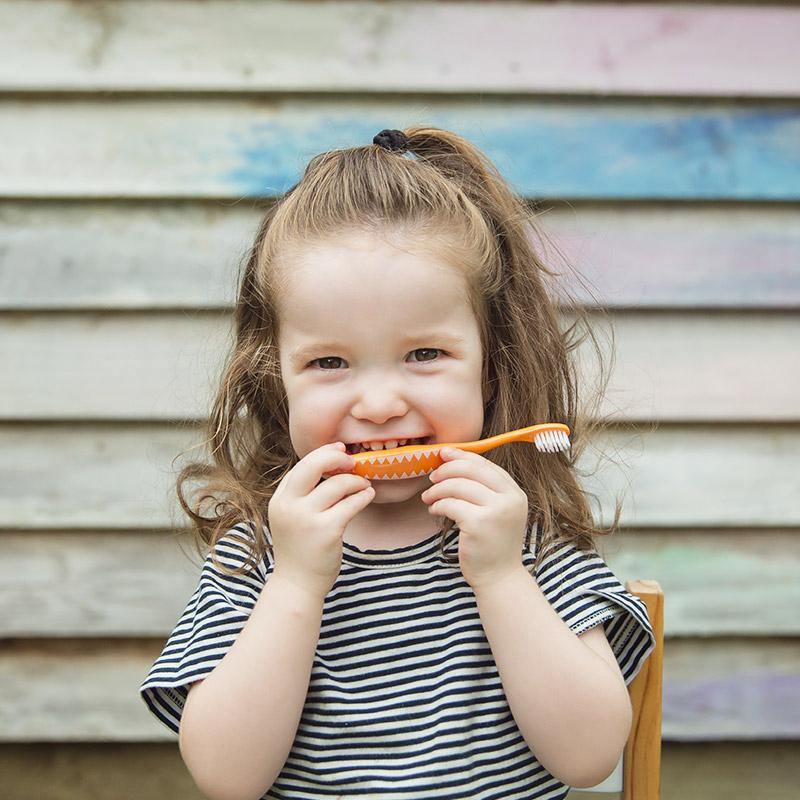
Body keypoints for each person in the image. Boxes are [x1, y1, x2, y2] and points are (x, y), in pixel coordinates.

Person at [139, 126, 657, 800]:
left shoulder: (523, 539)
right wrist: (296, 584)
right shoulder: (259, 556)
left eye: (424, 355)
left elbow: (589, 758)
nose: (380, 404)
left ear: (490, 370)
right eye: (330, 363)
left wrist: (500, 577)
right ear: (277, 383)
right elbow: (226, 778)